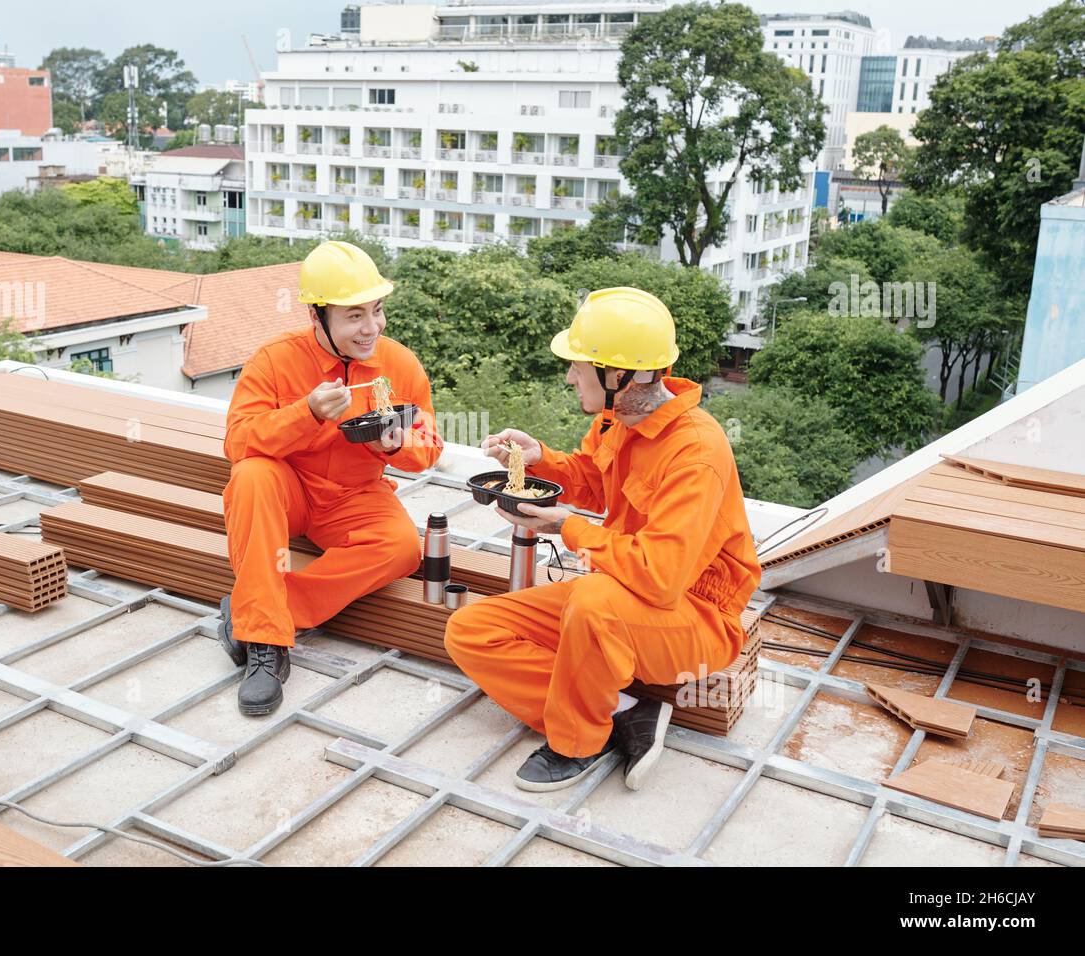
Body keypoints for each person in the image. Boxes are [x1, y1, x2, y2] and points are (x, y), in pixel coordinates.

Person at [445, 287, 760, 792]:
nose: (570, 375)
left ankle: (578, 742)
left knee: (593, 601)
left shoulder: (696, 452)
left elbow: (661, 579)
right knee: (471, 629)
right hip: (617, 592)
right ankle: (627, 710)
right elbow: (593, 481)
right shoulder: (618, 419)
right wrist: (537, 458)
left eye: (578, 365)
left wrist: (563, 528)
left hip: (694, 614)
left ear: (619, 376)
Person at [219, 240, 443, 715]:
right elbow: (237, 442)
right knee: (251, 476)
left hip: (356, 495)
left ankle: (258, 612)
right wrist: (306, 413)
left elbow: (430, 448)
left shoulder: (399, 365)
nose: (372, 328)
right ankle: (265, 646)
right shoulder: (275, 360)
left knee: (403, 547)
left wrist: (396, 445)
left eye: (377, 311)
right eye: (355, 316)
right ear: (317, 316)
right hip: (290, 490)